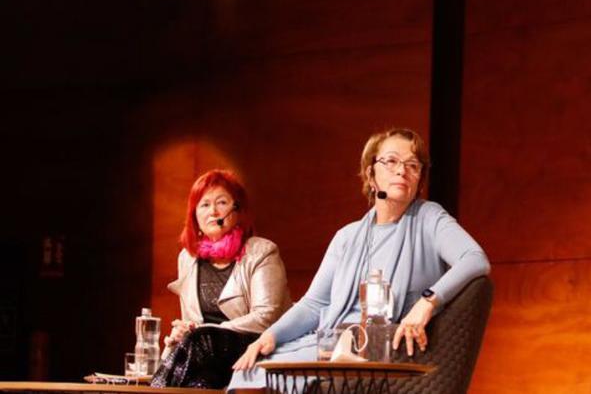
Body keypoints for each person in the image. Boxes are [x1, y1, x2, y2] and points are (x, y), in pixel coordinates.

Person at [230, 127, 490, 386]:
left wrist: (428, 301)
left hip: (380, 348)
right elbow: (313, 304)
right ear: (371, 173)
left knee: (288, 377)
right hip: (332, 341)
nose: (402, 171)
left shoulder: (429, 218)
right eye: (391, 161)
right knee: (248, 372)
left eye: (413, 165)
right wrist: (271, 335)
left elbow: (475, 258)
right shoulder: (347, 236)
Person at [152, 170, 291, 389]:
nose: (212, 211)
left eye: (222, 202)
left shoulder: (261, 251)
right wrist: (184, 331)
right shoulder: (187, 259)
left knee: (202, 340)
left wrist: (205, 331)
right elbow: (192, 321)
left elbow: (267, 317)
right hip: (205, 355)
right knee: (200, 383)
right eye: (204, 205)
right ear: (194, 214)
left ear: (237, 210)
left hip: (253, 347)